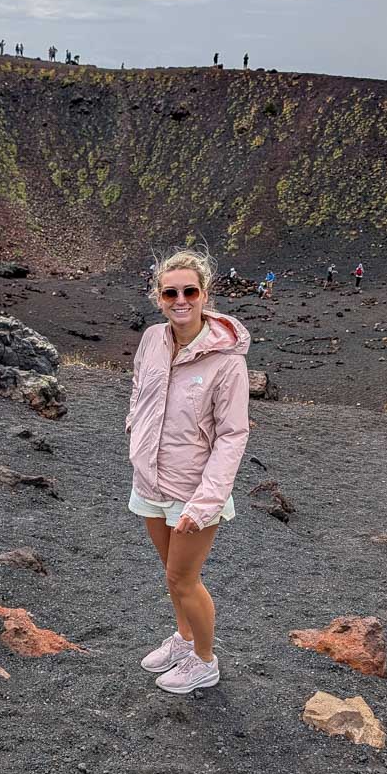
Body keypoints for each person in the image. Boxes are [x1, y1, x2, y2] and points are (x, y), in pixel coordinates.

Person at [127, 248, 250, 694]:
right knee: (170, 572)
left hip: (195, 488)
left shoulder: (227, 361)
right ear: (158, 297)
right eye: (169, 292)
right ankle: (184, 639)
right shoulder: (152, 340)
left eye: (189, 291)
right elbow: (141, 386)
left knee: (184, 578)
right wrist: (134, 431)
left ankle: (204, 660)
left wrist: (206, 502)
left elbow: (233, 435)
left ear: (205, 295)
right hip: (150, 479)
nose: (180, 300)